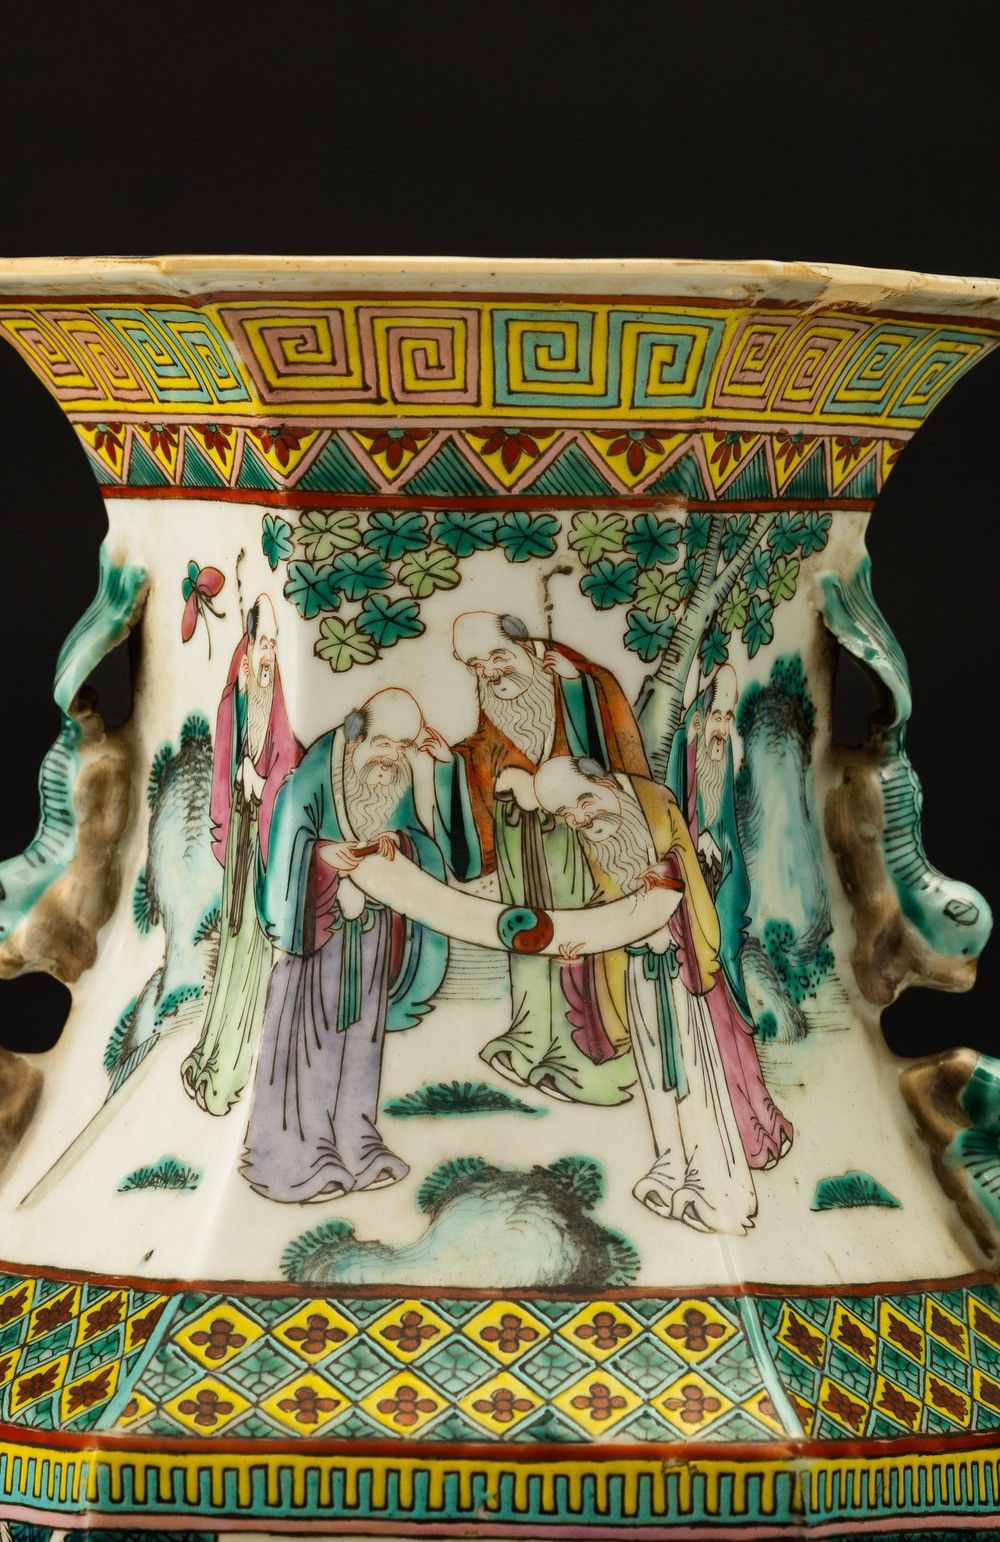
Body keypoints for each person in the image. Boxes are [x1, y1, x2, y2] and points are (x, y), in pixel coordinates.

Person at [420, 610, 649, 1106]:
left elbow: (604, 758)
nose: (490, 673)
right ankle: (529, 1040)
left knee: (578, 938)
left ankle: (584, 1054)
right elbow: (486, 750)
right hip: (519, 842)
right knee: (526, 934)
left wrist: (573, 690)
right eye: (476, 666)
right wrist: (450, 764)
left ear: (525, 646)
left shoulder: (575, 679)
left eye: (497, 656)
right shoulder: (498, 700)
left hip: (577, 838)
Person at [241, 689, 451, 1203]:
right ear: (357, 733)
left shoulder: (393, 777)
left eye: (401, 747)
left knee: (363, 1040)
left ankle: (358, 1145)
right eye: (383, 743)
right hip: (319, 932)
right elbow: (290, 844)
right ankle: (299, 1157)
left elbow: (418, 837)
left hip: (371, 932)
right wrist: (323, 856)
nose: (391, 758)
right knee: (312, 1043)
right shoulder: (315, 775)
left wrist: (399, 844)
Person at [533, 755, 758, 1234]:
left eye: (584, 801)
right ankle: (669, 1165)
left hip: (679, 963)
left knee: (694, 1071)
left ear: (605, 782)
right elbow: (607, 906)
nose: (581, 819)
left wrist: (669, 875)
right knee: (654, 1071)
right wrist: (581, 954)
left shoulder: (655, 805)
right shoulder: (598, 838)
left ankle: (717, 1187)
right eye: (567, 815)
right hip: (638, 968)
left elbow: (687, 871)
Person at [666, 664, 792, 1168]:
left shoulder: (721, 755)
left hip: (720, 908)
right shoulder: (687, 754)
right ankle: (745, 1131)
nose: (722, 726)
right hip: (692, 920)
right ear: (698, 717)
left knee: (736, 1022)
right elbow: (676, 820)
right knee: (716, 1023)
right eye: (715, 715)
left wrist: (722, 869)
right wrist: (693, 849)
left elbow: (727, 835)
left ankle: (765, 1116)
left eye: (727, 716)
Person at [181, 596, 300, 1115]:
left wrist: (263, 783)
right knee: (233, 947)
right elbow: (222, 767)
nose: (269, 654)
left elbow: (288, 759)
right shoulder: (235, 701)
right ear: (247, 646)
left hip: (266, 842)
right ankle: (209, 1052)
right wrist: (239, 783)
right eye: (263, 643)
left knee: (253, 951)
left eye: (275, 644)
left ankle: (230, 1069)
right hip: (241, 839)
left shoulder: (277, 700)